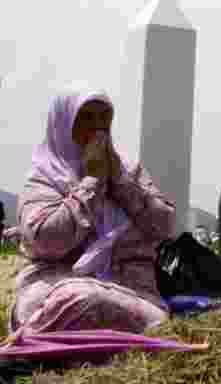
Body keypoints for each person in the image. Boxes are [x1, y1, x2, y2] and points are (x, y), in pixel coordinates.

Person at [9, 86, 176, 335]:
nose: (98, 128)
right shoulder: (44, 180)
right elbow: (47, 241)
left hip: (130, 290)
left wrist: (119, 181)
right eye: (87, 118)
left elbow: (164, 226)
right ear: (64, 126)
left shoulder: (128, 173)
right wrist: (92, 183)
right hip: (57, 285)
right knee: (63, 300)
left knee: (94, 303)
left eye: (104, 119)